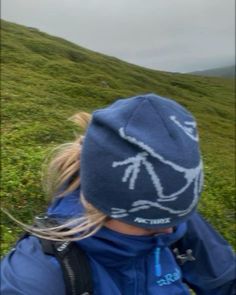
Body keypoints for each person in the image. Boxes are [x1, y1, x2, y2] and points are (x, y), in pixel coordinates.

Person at [1, 93, 235, 295]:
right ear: (101, 207)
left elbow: (226, 281)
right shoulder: (34, 277)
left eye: (179, 219)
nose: (169, 231)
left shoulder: (170, 217)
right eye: (148, 227)